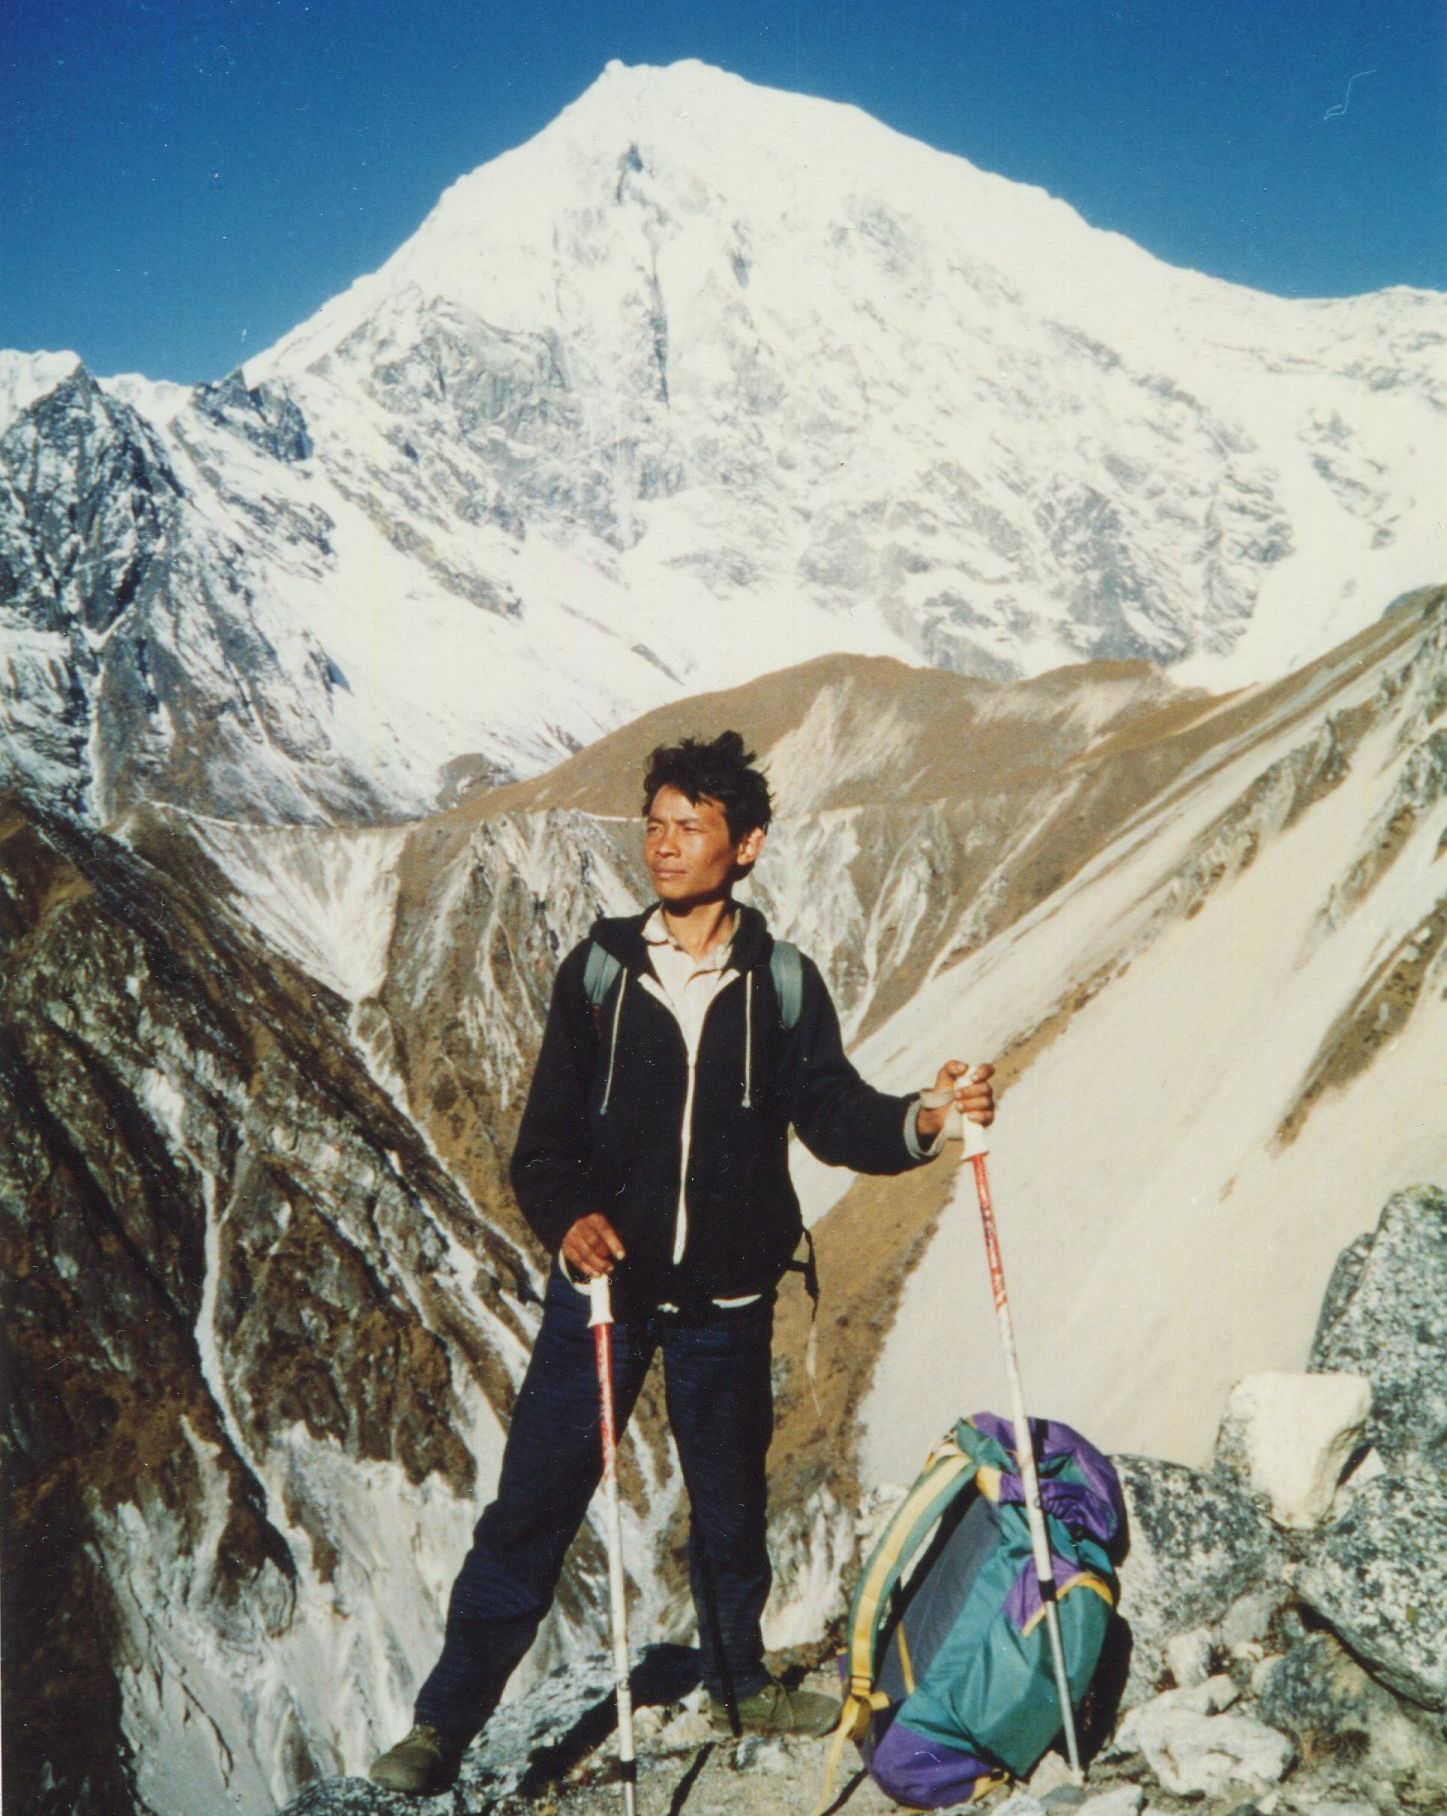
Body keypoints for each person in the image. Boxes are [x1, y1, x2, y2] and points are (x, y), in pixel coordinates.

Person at [370, 730, 995, 1795]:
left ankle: (740, 1680)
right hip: (605, 1296)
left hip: (730, 1300)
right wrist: (568, 1218)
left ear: (744, 845)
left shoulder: (784, 985)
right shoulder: (601, 972)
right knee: (531, 1508)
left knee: (730, 1508)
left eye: (688, 827)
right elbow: (543, 1144)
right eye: (654, 825)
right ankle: (443, 1727)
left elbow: (836, 1115)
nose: (662, 846)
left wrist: (924, 1118)